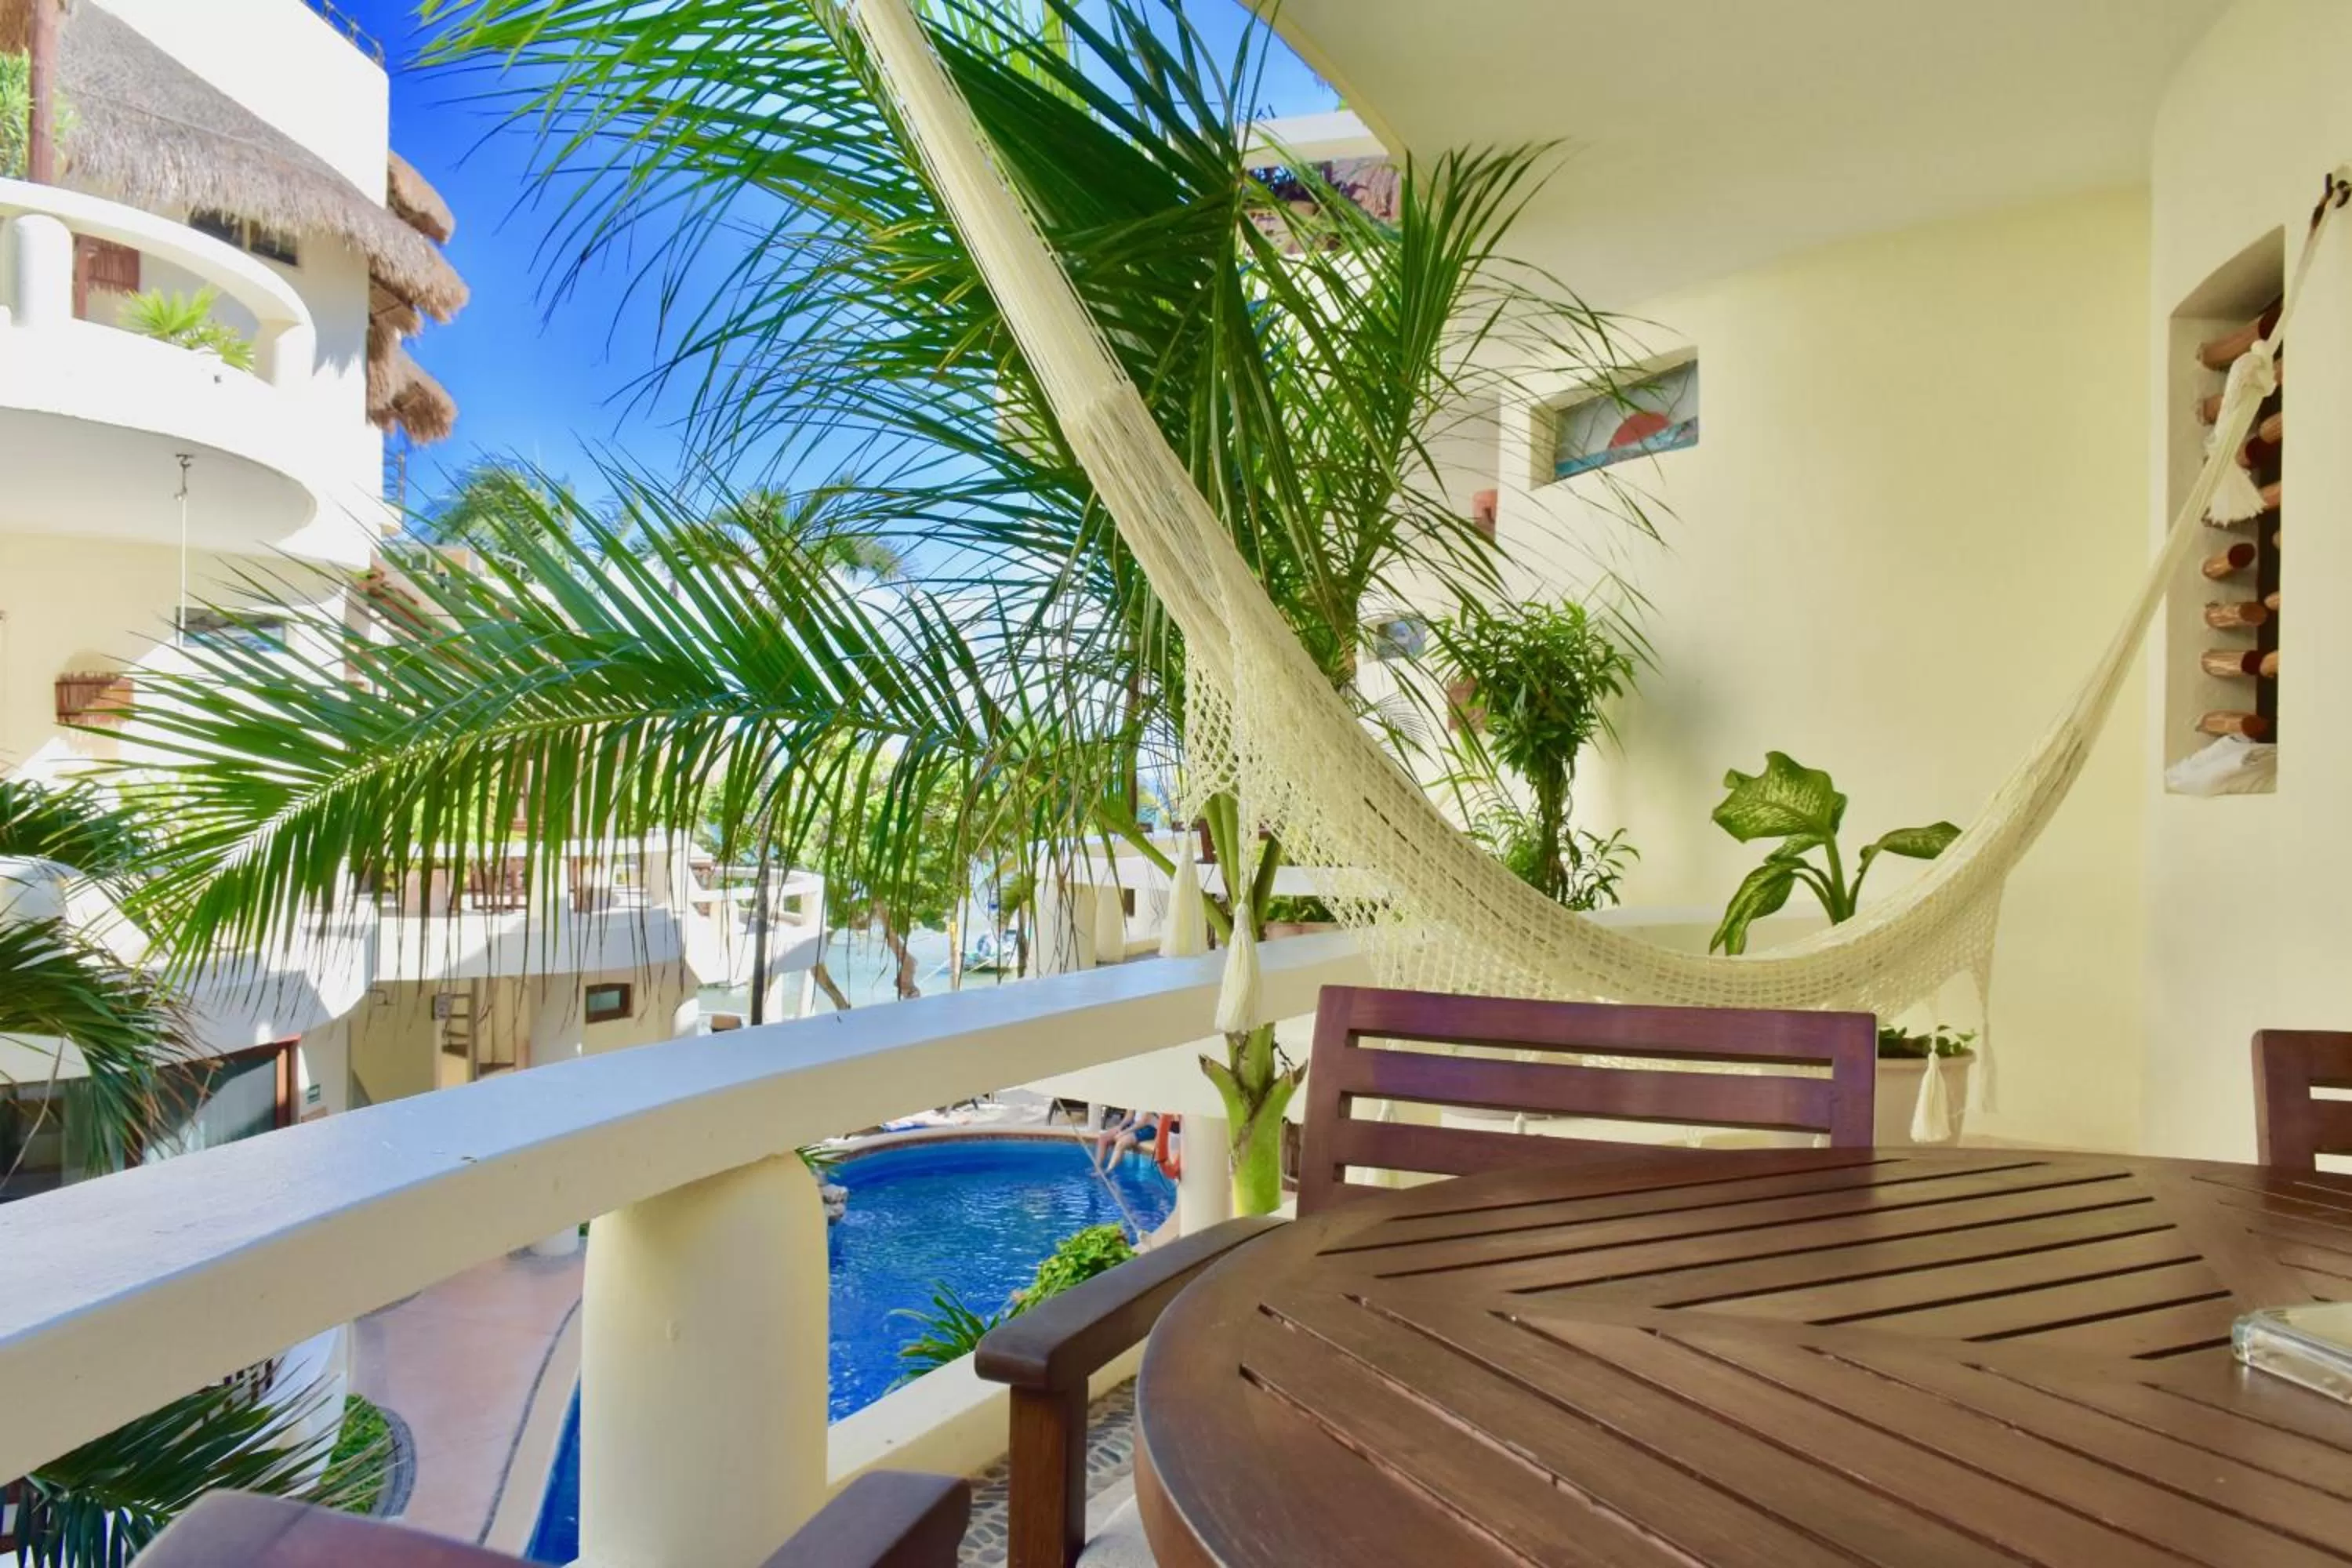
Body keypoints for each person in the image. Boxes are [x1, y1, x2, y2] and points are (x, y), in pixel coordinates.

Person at [1090, 1109, 1161, 1171]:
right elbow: (1129, 1116)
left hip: (1149, 1127)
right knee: (1103, 1138)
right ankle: (1097, 1168)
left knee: (1121, 1142)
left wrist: (1124, 1132)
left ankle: (1109, 1171)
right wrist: (1120, 1127)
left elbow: (1144, 1121)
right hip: (1134, 1124)